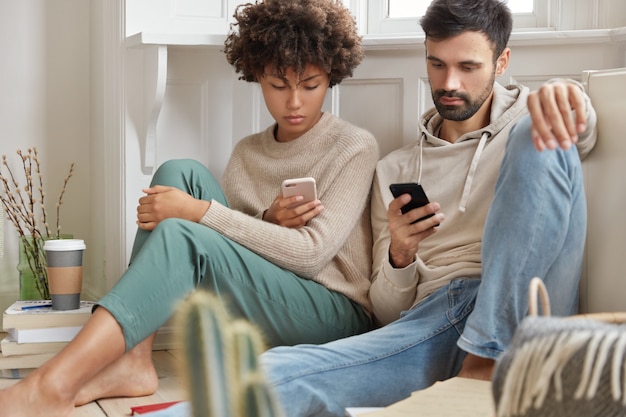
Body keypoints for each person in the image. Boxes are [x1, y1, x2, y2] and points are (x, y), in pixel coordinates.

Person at [0, 0, 379, 415]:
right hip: (274, 299)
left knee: (183, 225)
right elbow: (238, 257)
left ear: (331, 78)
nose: (294, 102)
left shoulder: (353, 145)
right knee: (177, 171)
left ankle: (53, 383)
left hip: (336, 314)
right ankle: (134, 359)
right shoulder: (247, 153)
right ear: (256, 75)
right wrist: (267, 219)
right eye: (277, 84)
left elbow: (309, 256)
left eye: (310, 85)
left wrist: (199, 212)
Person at [259, 0, 598, 415]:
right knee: (277, 372)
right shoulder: (394, 169)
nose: (449, 82)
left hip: (532, 313)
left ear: (502, 61)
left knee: (538, 129)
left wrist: (568, 94)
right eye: (437, 64)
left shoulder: (534, 119)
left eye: (468, 67)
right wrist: (400, 254)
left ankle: (490, 354)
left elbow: (579, 135)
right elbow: (387, 311)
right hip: (439, 321)